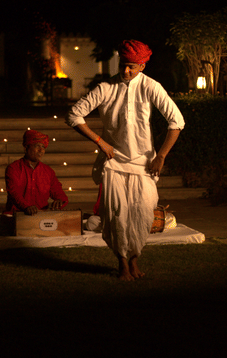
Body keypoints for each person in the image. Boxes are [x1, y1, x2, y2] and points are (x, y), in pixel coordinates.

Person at [66, 40, 184, 281]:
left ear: (141, 66)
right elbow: (73, 115)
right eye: (123, 65)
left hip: (144, 163)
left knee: (142, 213)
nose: (126, 71)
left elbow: (177, 121)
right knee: (116, 214)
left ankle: (134, 260)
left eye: (131, 66)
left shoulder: (151, 86)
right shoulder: (106, 88)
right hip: (114, 162)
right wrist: (100, 141)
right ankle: (122, 263)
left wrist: (160, 156)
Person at [4, 130, 68, 215]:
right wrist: (26, 207)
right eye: (37, 146)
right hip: (16, 215)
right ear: (26, 147)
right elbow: (14, 193)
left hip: (40, 216)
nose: (41, 150)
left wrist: (59, 200)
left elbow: (58, 192)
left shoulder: (48, 171)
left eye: (43, 147)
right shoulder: (13, 168)